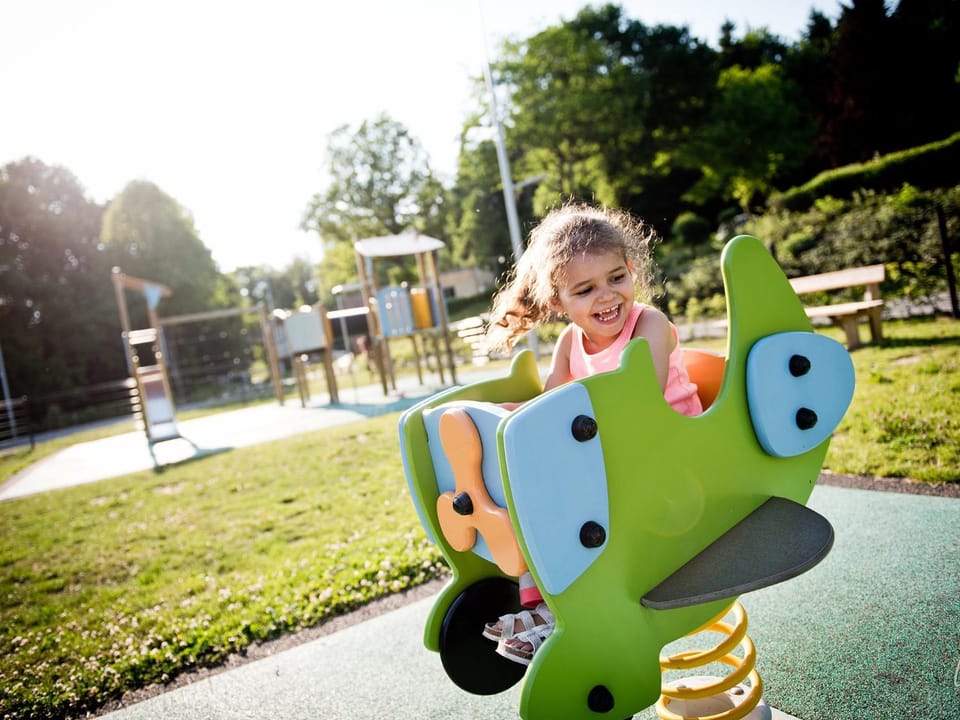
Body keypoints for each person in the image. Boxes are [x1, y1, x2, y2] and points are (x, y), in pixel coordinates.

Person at [480, 202, 703, 665]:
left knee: (563, 495)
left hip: (669, 454)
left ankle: (562, 609)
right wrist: (515, 415)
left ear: (632, 269)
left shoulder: (650, 325)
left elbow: (638, 403)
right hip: (612, 451)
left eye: (616, 278)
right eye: (585, 289)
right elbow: (551, 405)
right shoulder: (569, 343)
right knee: (532, 484)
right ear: (557, 303)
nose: (607, 297)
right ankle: (543, 605)